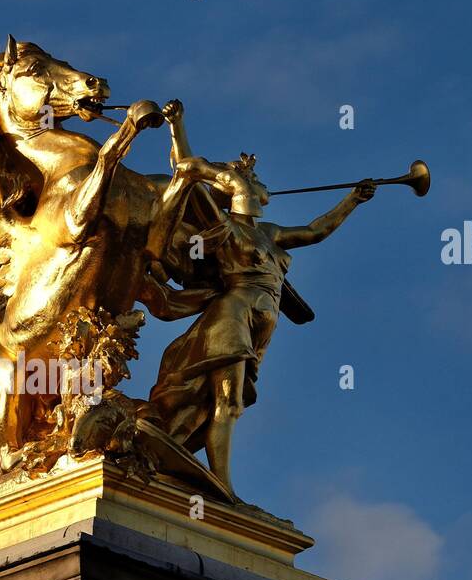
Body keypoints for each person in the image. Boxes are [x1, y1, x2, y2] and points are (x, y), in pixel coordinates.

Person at [145, 149, 375, 501]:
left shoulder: (270, 233)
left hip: (261, 323)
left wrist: (353, 201)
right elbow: (186, 169)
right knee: (228, 402)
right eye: (249, 187)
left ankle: (180, 457)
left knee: (223, 403)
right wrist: (177, 125)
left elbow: (316, 231)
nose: (256, 195)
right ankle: (223, 487)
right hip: (232, 314)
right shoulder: (220, 227)